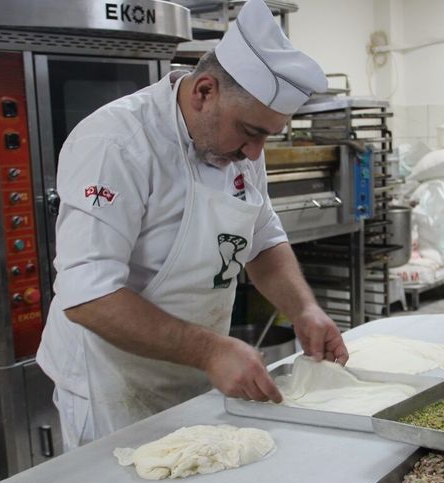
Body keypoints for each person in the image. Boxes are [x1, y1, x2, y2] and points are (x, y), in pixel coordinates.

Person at [36, 0, 348, 451]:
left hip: (195, 374)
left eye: (266, 136)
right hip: (111, 386)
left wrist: (304, 310)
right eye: (250, 131)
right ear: (204, 91)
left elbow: (262, 240)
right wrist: (210, 350)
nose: (255, 152)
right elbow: (88, 295)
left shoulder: (237, 147)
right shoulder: (116, 144)